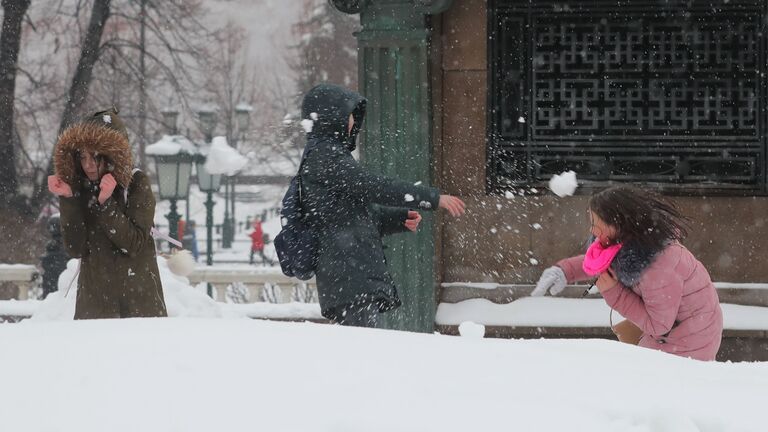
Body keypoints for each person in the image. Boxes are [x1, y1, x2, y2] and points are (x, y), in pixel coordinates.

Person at [299, 83, 466, 328]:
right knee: (362, 355)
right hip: (349, 277)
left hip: (351, 277)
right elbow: (374, 187)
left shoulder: (328, 155)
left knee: (363, 352)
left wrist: (397, 219)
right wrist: (431, 198)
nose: (352, 122)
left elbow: (351, 215)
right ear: (330, 118)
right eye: (347, 116)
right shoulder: (325, 156)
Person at [532, 185, 722, 361]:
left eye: (595, 223)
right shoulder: (636, 244)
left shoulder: (659, 267)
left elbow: (658, 326)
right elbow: (602, 262)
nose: (592, 230)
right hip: (676, 331)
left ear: (617, 224)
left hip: (688, 346)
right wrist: (565, 271)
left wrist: (613, 291)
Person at [47, 108, 167, 319]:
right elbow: (75, 248)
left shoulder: (136, 183)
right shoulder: (80, 188)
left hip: (137, 309)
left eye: (95, 157)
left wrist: (106, 203)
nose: (88, 165)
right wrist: (68, 198)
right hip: (93, 310)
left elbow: (135, 243)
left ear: (112, 154)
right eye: (82, 157)